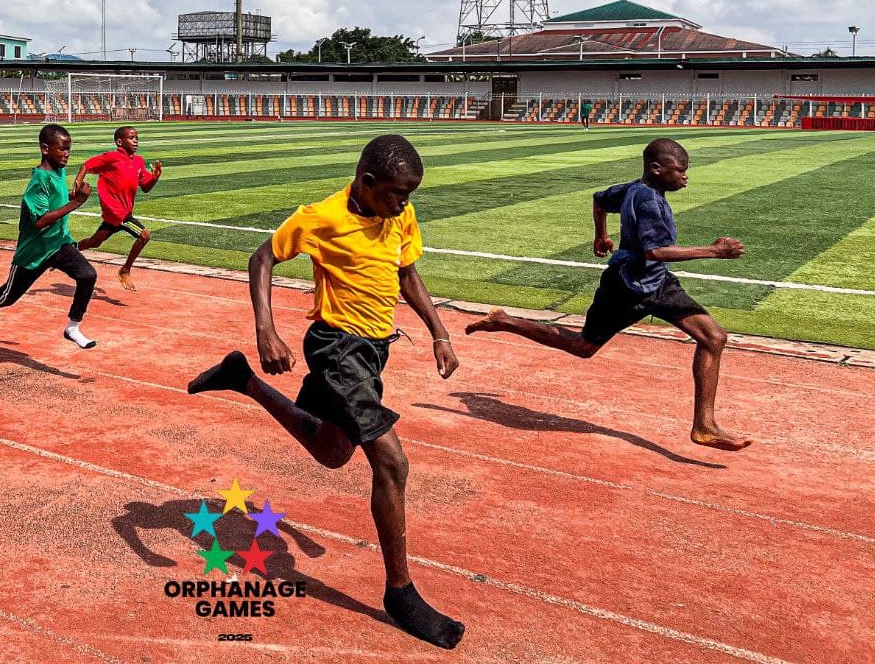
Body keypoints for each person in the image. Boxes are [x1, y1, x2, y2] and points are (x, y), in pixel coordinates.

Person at [187, 134, 466, 650]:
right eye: (397, 194)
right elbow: (261, 258)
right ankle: (400, 593)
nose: (405, 204)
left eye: (410, 194)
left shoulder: (398, 214)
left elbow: (407, 273)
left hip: (374, 351)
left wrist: (439, 332)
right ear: (367, 183)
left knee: (333, 452)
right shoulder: (321, 216)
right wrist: (266, 329)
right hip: (336, 348)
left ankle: (241, 379)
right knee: (391, 461)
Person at [465, 137, 751, 451]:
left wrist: (601, 235)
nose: (685, 177)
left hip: (657, 284)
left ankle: (705, 426)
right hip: (626, 288)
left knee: (713, 337)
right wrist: (715, 251)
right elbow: (656, 251)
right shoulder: (648, 201)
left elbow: (599, 199)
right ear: (656, 170)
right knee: (583, 347)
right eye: (679, 170)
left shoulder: (633, 188)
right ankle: (505, 321)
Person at [0, 124, 99, 349]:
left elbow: (55, 198)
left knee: (88, 275)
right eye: (62, 149)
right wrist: (76, 203)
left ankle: (72, 327)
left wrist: (69, 196)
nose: (67, 154)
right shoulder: (38, 182)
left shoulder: (58, 170)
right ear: (45, 149)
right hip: (35, 251)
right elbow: (40, 222)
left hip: (59, 243)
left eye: (69, 149)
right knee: (8, 297)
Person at [73, 126, 162, 291]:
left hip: (119, 216)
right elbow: (87, 165)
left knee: (94, 242)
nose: (135, 141)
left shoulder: (138, 161)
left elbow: (146, 187)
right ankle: (125, 270)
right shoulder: (112, 157)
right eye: (131, 138)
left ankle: (67, 252)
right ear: (119, 141)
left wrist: (155, 179)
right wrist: (77, 183)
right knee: (144, 235)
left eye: (137, 138)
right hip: (117, 213)